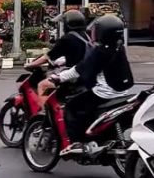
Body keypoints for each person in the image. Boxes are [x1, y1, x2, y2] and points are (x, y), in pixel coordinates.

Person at [38, 13, 134, 154]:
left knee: (72, 107)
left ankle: (76, 142)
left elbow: (80, 69)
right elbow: (88, 62)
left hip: (103, 92)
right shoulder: (118, 47)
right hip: (121, 92)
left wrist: (59, 77)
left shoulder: (101, 50)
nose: (93, 32)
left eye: (97, 29)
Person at [26, 9, 91, 73]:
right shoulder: (86, 36)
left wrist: (30, 65)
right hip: (85, 72)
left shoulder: (67, 38)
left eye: (64, 24)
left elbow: (49, 56)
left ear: (68, 24)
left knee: (44, 83)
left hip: (74, 74)